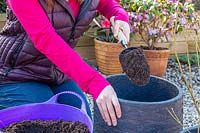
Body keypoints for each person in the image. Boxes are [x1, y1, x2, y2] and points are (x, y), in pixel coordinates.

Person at [0, 0, 130, 127]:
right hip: (15, 74)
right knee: (45, 123)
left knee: (81, 122)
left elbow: (105, 3)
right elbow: (46, 40)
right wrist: (95, 83)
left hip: (57, 71)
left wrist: (118, 15)